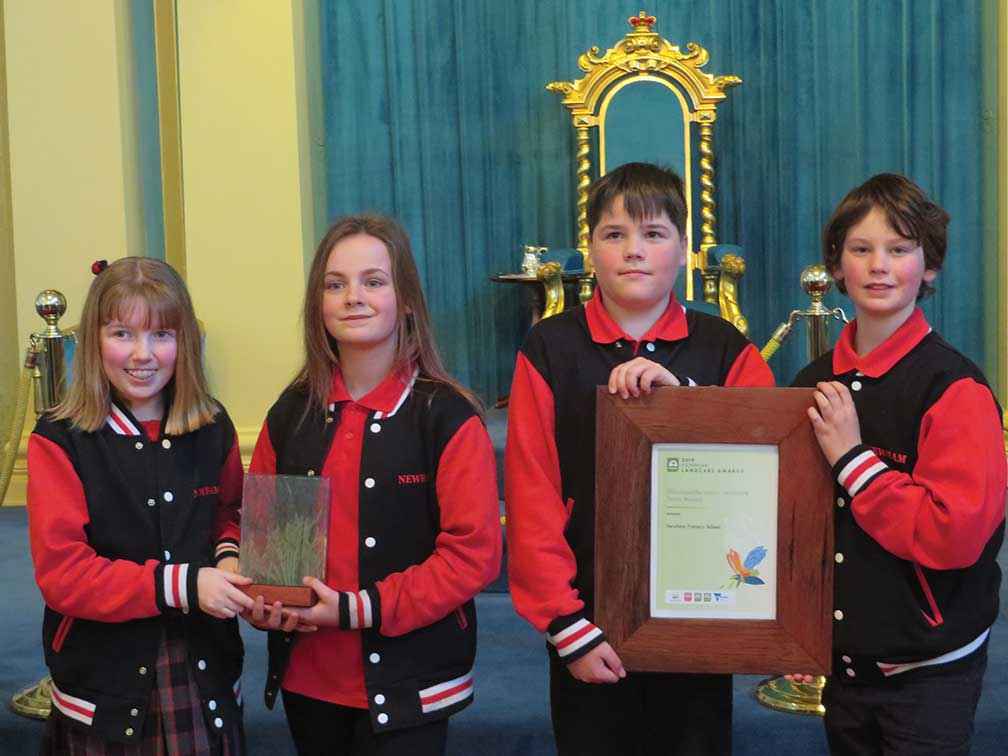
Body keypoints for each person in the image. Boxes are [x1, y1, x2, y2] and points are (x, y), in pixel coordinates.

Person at [505, 162, 775, 755]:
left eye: (654, 234)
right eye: (614, 234)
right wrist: (563, 625)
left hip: (703, 617)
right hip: (589, 620)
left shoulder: (728, 349)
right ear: (590, 250)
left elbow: (767, 475)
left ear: (683, 250)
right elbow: (532, 494)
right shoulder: (549, 349)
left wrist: (689, 407)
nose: (634, 251)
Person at [247, 214, 501, 756]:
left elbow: (472, 558)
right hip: (307, 677)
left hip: (411, 683)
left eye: (373, 281)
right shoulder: (290, 414)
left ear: (406, 299)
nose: (352, 298)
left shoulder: (447, 417)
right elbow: (270, 551)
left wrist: (355, 610)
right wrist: (263, 600)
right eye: (334, 284)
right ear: (318, 303)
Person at [790, 173, 1005, 755]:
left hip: (928, 669)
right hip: (845, 666)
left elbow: (952, 536)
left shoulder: (954, 387)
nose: (879, 265)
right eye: (861, 249)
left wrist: (854, 461)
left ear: (928, 266)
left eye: (900, 249)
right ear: (837, 267)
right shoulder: (812, 385)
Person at [27, 257, 252, 754]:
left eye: (162, 335)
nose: (142, 355)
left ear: (186, 342)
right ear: (94, 340)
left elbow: (229, 517)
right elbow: (64, 575)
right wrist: (186, 584)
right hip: (104, 683)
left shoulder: (213, 426)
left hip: (204, 673)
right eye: (123, 334)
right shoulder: (60, 440)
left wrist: (230, 556)